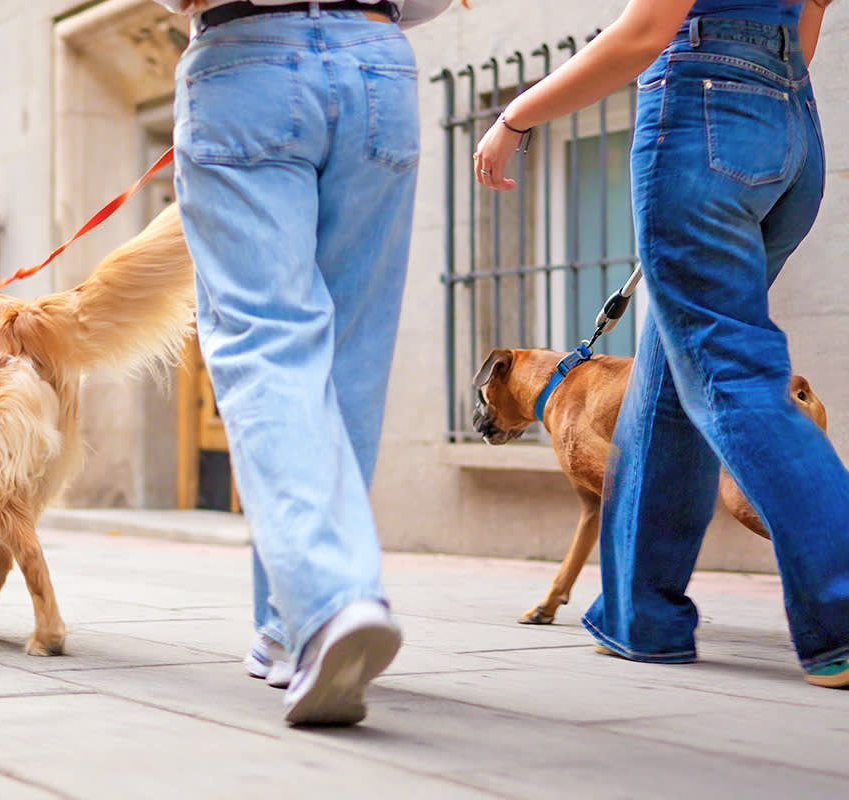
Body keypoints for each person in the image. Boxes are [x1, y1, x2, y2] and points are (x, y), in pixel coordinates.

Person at [474, 0, 849, 688]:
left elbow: (645, 31)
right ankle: (639, 616)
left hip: (704, 109)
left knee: (728, 370)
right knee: (672, 368)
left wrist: (513, 118)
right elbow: (810, 16)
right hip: (791, 124)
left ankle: (842, 612)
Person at [155, 0, 455, 724]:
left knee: (268, 341)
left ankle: (329, 603)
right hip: (376, 61)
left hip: (246, 59)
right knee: (349, 357)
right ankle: (290, 628)